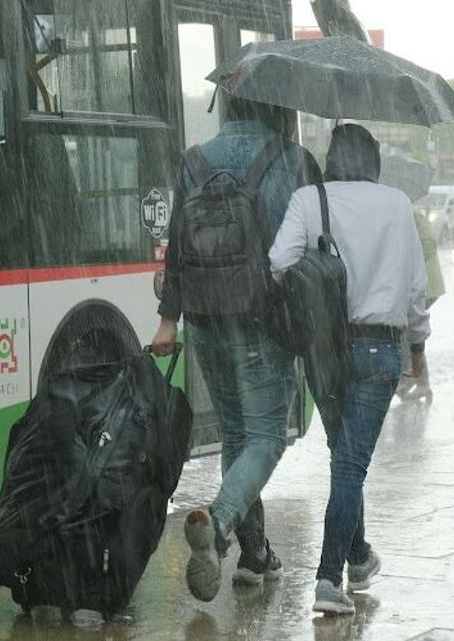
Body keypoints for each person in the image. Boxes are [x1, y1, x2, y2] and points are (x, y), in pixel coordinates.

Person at [150, 94, 321, 602]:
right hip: (261, 318)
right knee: (266, 438)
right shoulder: (290, 159)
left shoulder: (195, 160)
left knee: (237, 437)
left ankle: (254, 554)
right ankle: (220, 526)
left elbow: (177, 248)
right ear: (277, 106)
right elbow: (312, 245)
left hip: (204, 318)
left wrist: (168, 319)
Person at [269, 124, 429, 615]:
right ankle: (327, 578)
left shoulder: (309, 198)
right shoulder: (397, 205)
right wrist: (417, 347)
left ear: (333, 157)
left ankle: (358, 558)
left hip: (324, 348)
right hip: (379, 349)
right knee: (350, 465)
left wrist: (322, 274)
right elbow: (416, 288)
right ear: (374, 160)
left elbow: (278, 262)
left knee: (344, 459)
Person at [396, 209, 445, 400]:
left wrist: (409, 258)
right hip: (415, 284)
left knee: (408, 329)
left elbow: (429, 243)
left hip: (426, 284)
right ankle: (411, 379)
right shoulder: (402, 213)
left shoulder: (412, 214)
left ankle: (420, 381)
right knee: (406, 330)